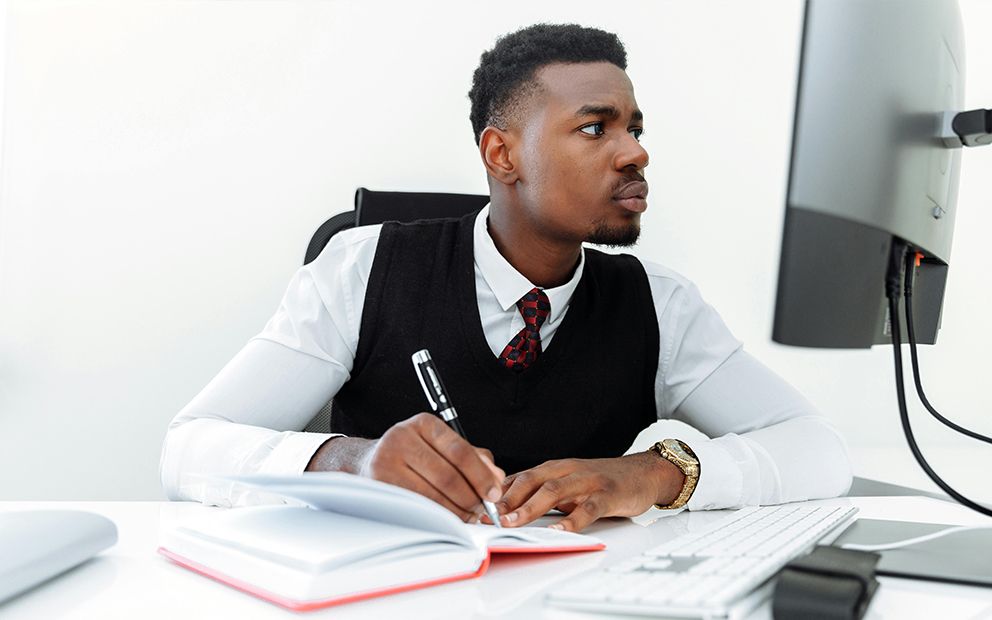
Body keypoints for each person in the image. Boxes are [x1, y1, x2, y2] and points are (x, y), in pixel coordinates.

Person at [160, 23, 852, 532]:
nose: (635, 151)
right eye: (595, 129)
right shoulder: (361, 267)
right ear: (503, 153)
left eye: (635, 128)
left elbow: (817, 449)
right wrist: (351, 463)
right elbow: (187, 447)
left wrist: (654, 473)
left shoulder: (659, 303)